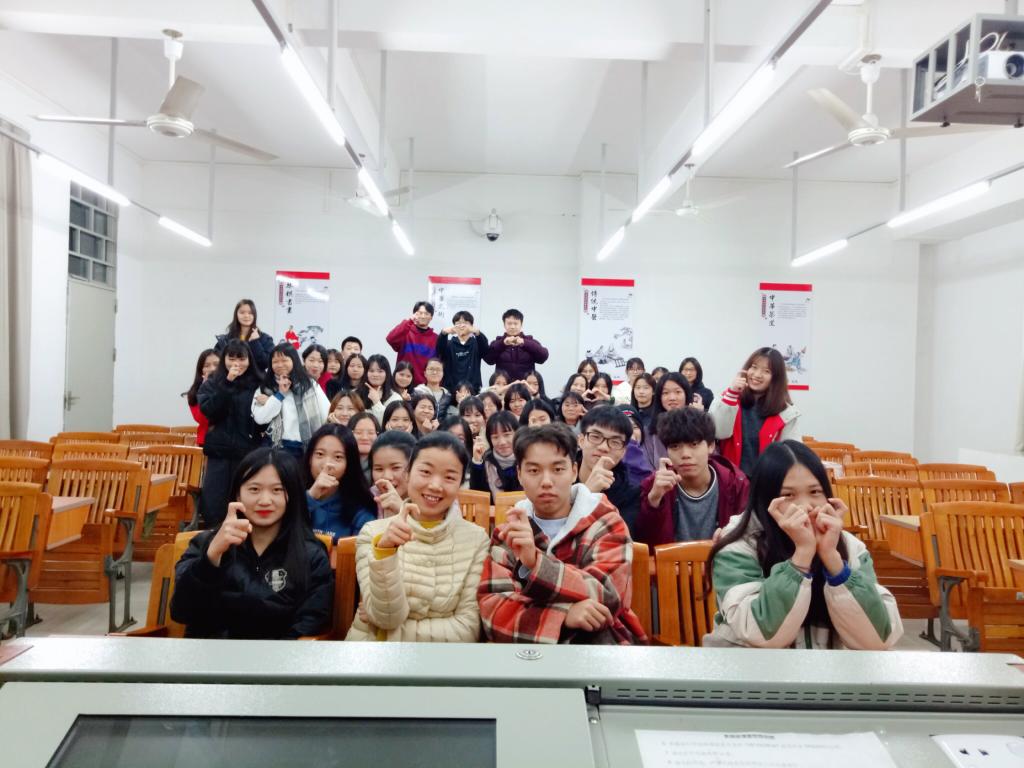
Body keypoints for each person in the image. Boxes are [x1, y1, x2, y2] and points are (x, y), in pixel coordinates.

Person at [706, 441, 902, 649]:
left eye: (815, 491)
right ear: (765, 500)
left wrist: (833, 560)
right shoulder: (737, 545)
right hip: (750, 667)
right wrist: (802, 557)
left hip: (824, 668)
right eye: (788, 495)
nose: (805, 505)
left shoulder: (850, 547)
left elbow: (879, 639)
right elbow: (762, 635)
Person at [478, 423, 647, 645]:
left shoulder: (605, 522)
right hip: (527, 657)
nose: (546, 482)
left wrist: (535, 564)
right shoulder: (510, 533)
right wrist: (563, 617)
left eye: (558, 469)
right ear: (519, 474)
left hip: (598, 649)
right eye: (534, 471)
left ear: (574, 471)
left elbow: (608, 595)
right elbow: (494, 610)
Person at [170, 448, 333, 639]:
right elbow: (180, 612)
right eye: (254, 489)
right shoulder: (205, 544)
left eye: (277, 490)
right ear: (238, 495)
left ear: (292, 495)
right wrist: (210, 558)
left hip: (278, 656)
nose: (265, 501)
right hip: (209, 654)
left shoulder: (311, 555)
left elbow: (310, 622)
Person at [346, 432, 490, 642]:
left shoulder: (476, 540)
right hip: (373, 656)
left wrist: (388, 633)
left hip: (439, 659)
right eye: (425, 472)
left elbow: (467, 629)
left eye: (450, 477)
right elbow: (386, 617)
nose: (435, 485)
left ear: (460, 483)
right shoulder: (374, 534)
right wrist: (385, 553)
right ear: (408, 474)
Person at [636, 408, 749, 547]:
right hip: (670, 560)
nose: (685, 454)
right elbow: (644, 544)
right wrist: (653, 501)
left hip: (721, 559)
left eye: (694, 444)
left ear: (711, 446)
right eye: (675, 446)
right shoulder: (655, 485)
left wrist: (731, 535)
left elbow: (749, 538)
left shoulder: (736, 485)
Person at [197, 341, 263, 527]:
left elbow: (264, 418)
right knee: (215, 501)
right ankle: (215, 537)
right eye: (231, 359)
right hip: (219, 452)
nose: (236, 364)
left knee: (245, 500)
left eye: (241, 359)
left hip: (248, 452)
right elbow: (211, 411)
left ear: (249, 360)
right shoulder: (212, 382)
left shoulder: (258, 383)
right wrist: (227, 383)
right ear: (224, 359)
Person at [710, 347, 801, 477]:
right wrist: (732, 393)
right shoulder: (727, 398)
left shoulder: (786, 412)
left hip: (766, 481)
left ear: (776, 378)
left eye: (766, 371)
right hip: (730, 480)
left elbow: (792, 454)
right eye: (754, 367)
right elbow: (719, 432)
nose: (757, 375)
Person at [251, 343, 329, 458]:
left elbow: (326, 413)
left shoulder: (309, 385)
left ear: (294, 360)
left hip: (302, 448)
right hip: (274, 446)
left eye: (284, 360)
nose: (280, 365)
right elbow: (260, 418)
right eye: (275, 362)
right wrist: (279, 395)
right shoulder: (265, 387)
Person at [304, 424, 376, 543]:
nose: (327, 464)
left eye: (338, 457)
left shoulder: (360, 511)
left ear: (349, 464)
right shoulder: (291, 497)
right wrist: (310, 497)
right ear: (309, 458)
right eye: (320, 454)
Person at [576, 406, 641, 537]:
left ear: (623, 452)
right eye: (595, 437)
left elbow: (618, 539)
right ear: (581, 441)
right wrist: (587, 493)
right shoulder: (558, 478)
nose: (603, 447)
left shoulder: (631, 493)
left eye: (615, 442)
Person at [640, 371, 694, 472]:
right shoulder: (649, 432)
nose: (672, 398)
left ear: (686, 394)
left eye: (678, 392)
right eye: (665, 393)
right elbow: (646, 467)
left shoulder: (698, 426)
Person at [484, 309, 549, 381]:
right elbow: (488, 360)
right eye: (509, 323)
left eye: (516, 323)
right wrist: (502, 344)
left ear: (521, 324)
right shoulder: (498, 342)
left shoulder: (530, 341)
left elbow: (543, 357)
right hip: (504, 385)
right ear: (504, 325)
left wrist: (525, 343)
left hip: (524, 385)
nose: (512, 326)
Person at [213, 299, 275, 375]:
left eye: (250, 313)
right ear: (236, 315)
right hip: (230, 380)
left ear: (254, 315)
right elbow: (217, 363)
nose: (246, 316)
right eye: (242, 312)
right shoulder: (225, 340)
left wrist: (255, 343)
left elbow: (265, 363)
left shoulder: (265, 339)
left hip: (256, 381)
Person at [470, 410, 521, 500]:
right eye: (495, 437)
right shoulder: (486, 462)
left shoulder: (526, 458)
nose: (502, 442)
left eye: (507, 435)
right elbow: (477, 496)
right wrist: (477, 462)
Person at [386, 301, 439, 385]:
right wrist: (409, 321)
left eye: (426, 314)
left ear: (431, 317)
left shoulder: (436, 338)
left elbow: (438, 364)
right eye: (420, 313)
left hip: (425, 386)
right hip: (403, 383)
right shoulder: (405, 332)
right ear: (414, 314)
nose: (423, 316)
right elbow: (390, 339)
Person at [436, 310, 489, 391]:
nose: (462, 326)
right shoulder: (449, 344)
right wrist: (443, 333)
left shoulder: (477, 343)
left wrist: (477, 333)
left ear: (471, 326)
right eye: (458, 323)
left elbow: (485, 350)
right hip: (451, 389)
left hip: (472, 389)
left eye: (465, 323)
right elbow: (439, 350)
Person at [369, 430, 416, 518]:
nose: (386, 476)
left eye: (396, 468)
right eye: (379, 469)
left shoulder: (428, 499)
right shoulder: (368, 500)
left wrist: (401, 510)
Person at [184, 348, 219, 447]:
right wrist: (206, 389)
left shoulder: (230, 387)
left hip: (228, 442)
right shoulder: (194, 393)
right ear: (201, 371)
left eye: (216, 365)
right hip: (205, 442)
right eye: (207, 366)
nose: (212, 369)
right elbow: (202, 420)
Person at [361, 354, 404, 423]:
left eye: (380, 371)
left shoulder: (395, 398)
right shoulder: (356, 394)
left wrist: (376, 402)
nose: (375, 374)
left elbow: (390, 422)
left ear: (387, 373)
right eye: (371, 371)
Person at [348, 411, 381, 483]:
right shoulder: (341, 463)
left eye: (371, 433)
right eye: (358, 432)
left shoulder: (383, 464)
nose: (364, 437)